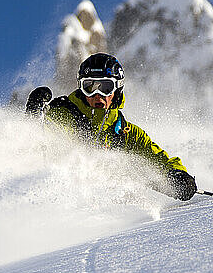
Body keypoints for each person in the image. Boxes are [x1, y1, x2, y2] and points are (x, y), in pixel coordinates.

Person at [25, 53, 197, 201]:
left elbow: (157, 158)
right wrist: (35, 117)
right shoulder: (65, 114)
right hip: (63, 199)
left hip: (110, 211)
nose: (97, 95)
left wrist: (178, 176)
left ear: (117, 89)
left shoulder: (125, 132)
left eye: (105, 87)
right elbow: (46, 145)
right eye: (90, 86)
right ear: (81, 88)